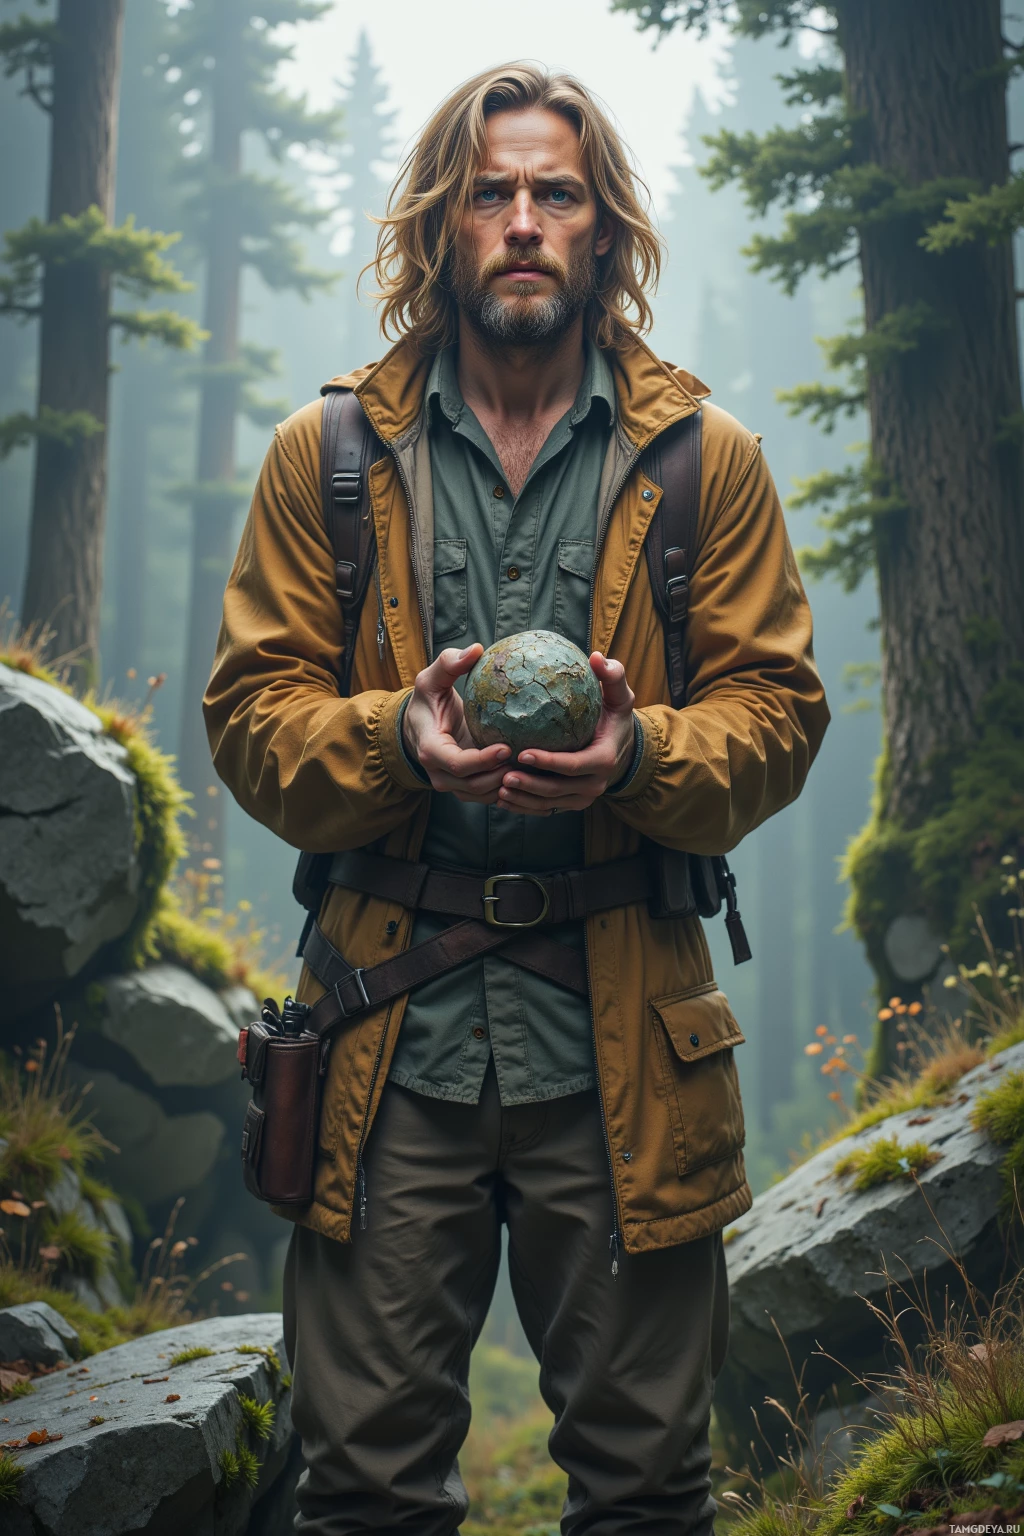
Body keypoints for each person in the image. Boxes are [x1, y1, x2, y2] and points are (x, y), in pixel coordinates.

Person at [204, 62, 829, 1536]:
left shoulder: (704, 462)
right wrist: (393, 741)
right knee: (364, 1493)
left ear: (604, 228)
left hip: (627, 1045)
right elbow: (250, 716)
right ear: (445, 224)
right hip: (385, 1045)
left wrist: (642, 760)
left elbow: (778, 715)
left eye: (558, 192)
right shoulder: (328, 457)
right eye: (492, 193)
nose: (526, 221)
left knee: (648, 1492)